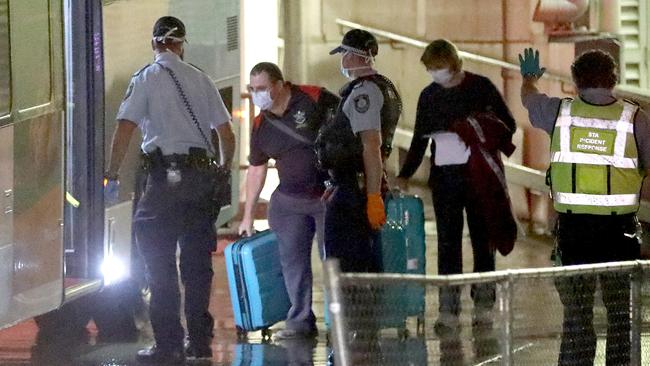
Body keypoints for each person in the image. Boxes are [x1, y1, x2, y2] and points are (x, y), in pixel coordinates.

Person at [104, 16, 235, 365]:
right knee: (196, 267)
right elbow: (226, 135)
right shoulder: (201, 78)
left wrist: (111, 174)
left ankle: (169, 344)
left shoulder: (145, 79)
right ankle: (200, 343)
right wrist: (221, 171)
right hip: (198, 182)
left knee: (159, 265)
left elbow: (125, 128)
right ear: (181, 44)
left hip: (162, 184)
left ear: (154, 44)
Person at [519, 48, 649, 366]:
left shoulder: (557, 113)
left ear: (575, 82)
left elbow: (529, 99)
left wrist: (529, 78)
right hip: (620, 234)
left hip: (574, 233)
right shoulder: (636, 118)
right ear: (614, 80)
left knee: (577, 317)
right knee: (621, 317)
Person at [395, 39, 516, 335]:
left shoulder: (481, 87)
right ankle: (448, 311)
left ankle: (483, 307)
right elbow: (420, 140)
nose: (437, 74)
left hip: (478, 177)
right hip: (445, 179)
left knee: (482, 241)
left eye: (441, 68)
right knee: (448, 244)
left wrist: (474, 128)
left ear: (455, 64)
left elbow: (507, 124)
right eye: (431, 70)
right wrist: (405, 173)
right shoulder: (429, 96)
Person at [238, 62, 339, 340]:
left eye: (262, 88)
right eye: (253, 89)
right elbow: (257, 168)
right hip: (290, 202)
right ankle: (300, 321)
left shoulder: (316, 98)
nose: (257, 94)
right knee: (292, 263)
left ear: (281, 85)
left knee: (333, 260)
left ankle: (341, 322)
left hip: (326, 198)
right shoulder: (261, 124)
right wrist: (247, 215)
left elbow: (350, 133)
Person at [319, 28, 402, 274]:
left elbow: (371, 145)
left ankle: (355, 312)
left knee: (347, 264)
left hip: (356, 192)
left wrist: (373, 196)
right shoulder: (378, 88)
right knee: (357, 260)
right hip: (352, 186)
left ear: (353, 56)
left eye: (343, 53)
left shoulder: (364, 92)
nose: (341, 60)